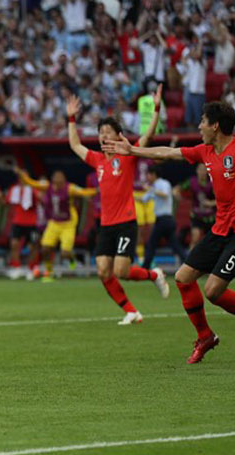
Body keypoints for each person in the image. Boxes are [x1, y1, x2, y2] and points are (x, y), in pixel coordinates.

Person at [103, 101, 235, 364]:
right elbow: (168, 152)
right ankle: (205, 336)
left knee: (213, 291)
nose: (199, 126)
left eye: (203, 121)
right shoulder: (205, 151)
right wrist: (132, 150)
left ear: (215, 125)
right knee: (183, 277)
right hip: (220, 229)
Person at [67, 87, 169, 326]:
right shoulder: (97, 159)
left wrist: (156, 109)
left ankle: (155, 274)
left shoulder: (128, 154)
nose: (103, 135)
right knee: (103, 270)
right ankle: (132, 311)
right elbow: (74, 145)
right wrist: (71, 118)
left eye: (108, 131)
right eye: (100, 132)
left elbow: (148, 137)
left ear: (118, 135)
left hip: (125, 223)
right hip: (106, 225)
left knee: (122, 271)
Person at [15, 168, 95, 281]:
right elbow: (32, 183)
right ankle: (49, 272)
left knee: (65, 253)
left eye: (59, 184)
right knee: (45, 248)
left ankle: (72, 260)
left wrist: (97, 190)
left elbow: (83, 192)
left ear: (64, 182)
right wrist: (23, 176)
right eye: (55, 183)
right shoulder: (47, 186)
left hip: (68, 224)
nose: (56, 186)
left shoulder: (70, 189)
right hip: (54, 222)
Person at [141, 168, 187, 269]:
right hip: (162, 220)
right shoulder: (153, 187)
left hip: (165, 219)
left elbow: (165, 194)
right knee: (175, 245)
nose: (147, 177)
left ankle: (145, 267)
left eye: (148, 174)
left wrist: (150, 189)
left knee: (151, 244)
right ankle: (188, 263)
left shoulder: (163, 183)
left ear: (153, 174)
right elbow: (143, 199)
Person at [3, 173, 40, 280]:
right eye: (21, 177)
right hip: (17, 222)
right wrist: (0, 197)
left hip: (32, 222)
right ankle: (16, 268)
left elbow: (40, 200)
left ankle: (31, 269)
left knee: (32, 246)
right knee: (14, 244)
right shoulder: (13, 189)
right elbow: (6, 202)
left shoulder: (34, 188)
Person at [175, 162, 215, 249]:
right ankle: (189, 260)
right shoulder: (191, 182)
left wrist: (210, 203)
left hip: (210, 217)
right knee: (195, 238)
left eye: (204, 170)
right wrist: (179, 196)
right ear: (197, 171)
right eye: (200, 169)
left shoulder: (212, 183)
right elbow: (177, 189)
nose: (202, 172)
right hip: (196, 215)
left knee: (211, 241)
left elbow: (221, 200)